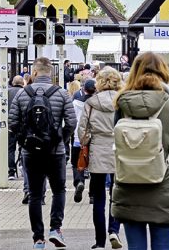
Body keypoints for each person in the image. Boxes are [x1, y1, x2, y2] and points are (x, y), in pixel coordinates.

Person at [112, 52, 169, 250]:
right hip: (162, 184)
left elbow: (116, 140)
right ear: (164, 72)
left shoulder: (122, 104)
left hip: (129, 183)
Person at [9, 57, 77, 249]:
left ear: (35, 72)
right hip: (55, 152)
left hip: (31, 153)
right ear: (52, 73)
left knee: (35, 195)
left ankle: (38, 238)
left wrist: (26, 141)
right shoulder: (62, 93)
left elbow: (13, 123)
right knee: (59, 190)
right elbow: (71, 122)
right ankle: (56, 229)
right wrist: (59, 140)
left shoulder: (23, 94)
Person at [78, 68, 123, 249]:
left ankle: (99, 241)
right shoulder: (122, 102)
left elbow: (82, 131)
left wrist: (88, 140)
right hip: (119, 150)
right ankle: (114, 230)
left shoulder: (91, 103)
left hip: (98, 150)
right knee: (116, 195)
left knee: (98, 198)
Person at [71, 79, 96, 204]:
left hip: (78, 138)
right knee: (93, 167)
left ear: (84, 89)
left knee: (77, 163)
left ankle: (79, 181)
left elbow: (71, 120)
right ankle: (92, 194)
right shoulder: (97, 103)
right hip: (94, 138)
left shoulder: (76, 103)